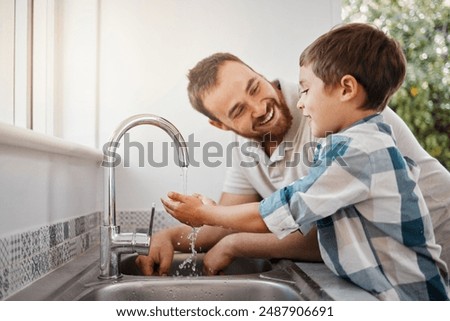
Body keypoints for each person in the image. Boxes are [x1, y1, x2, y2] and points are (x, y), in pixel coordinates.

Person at [161, 23, 449, 301]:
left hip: (426, 256)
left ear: (260, 73)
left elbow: (306, 222)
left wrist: (231, 237)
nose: (260, 107)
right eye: (238, 111)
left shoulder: (346, 129)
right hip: (384, 275)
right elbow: (232, 218)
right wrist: (172, 237)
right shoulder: (312, 117)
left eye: (254, 88)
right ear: (221, 125)